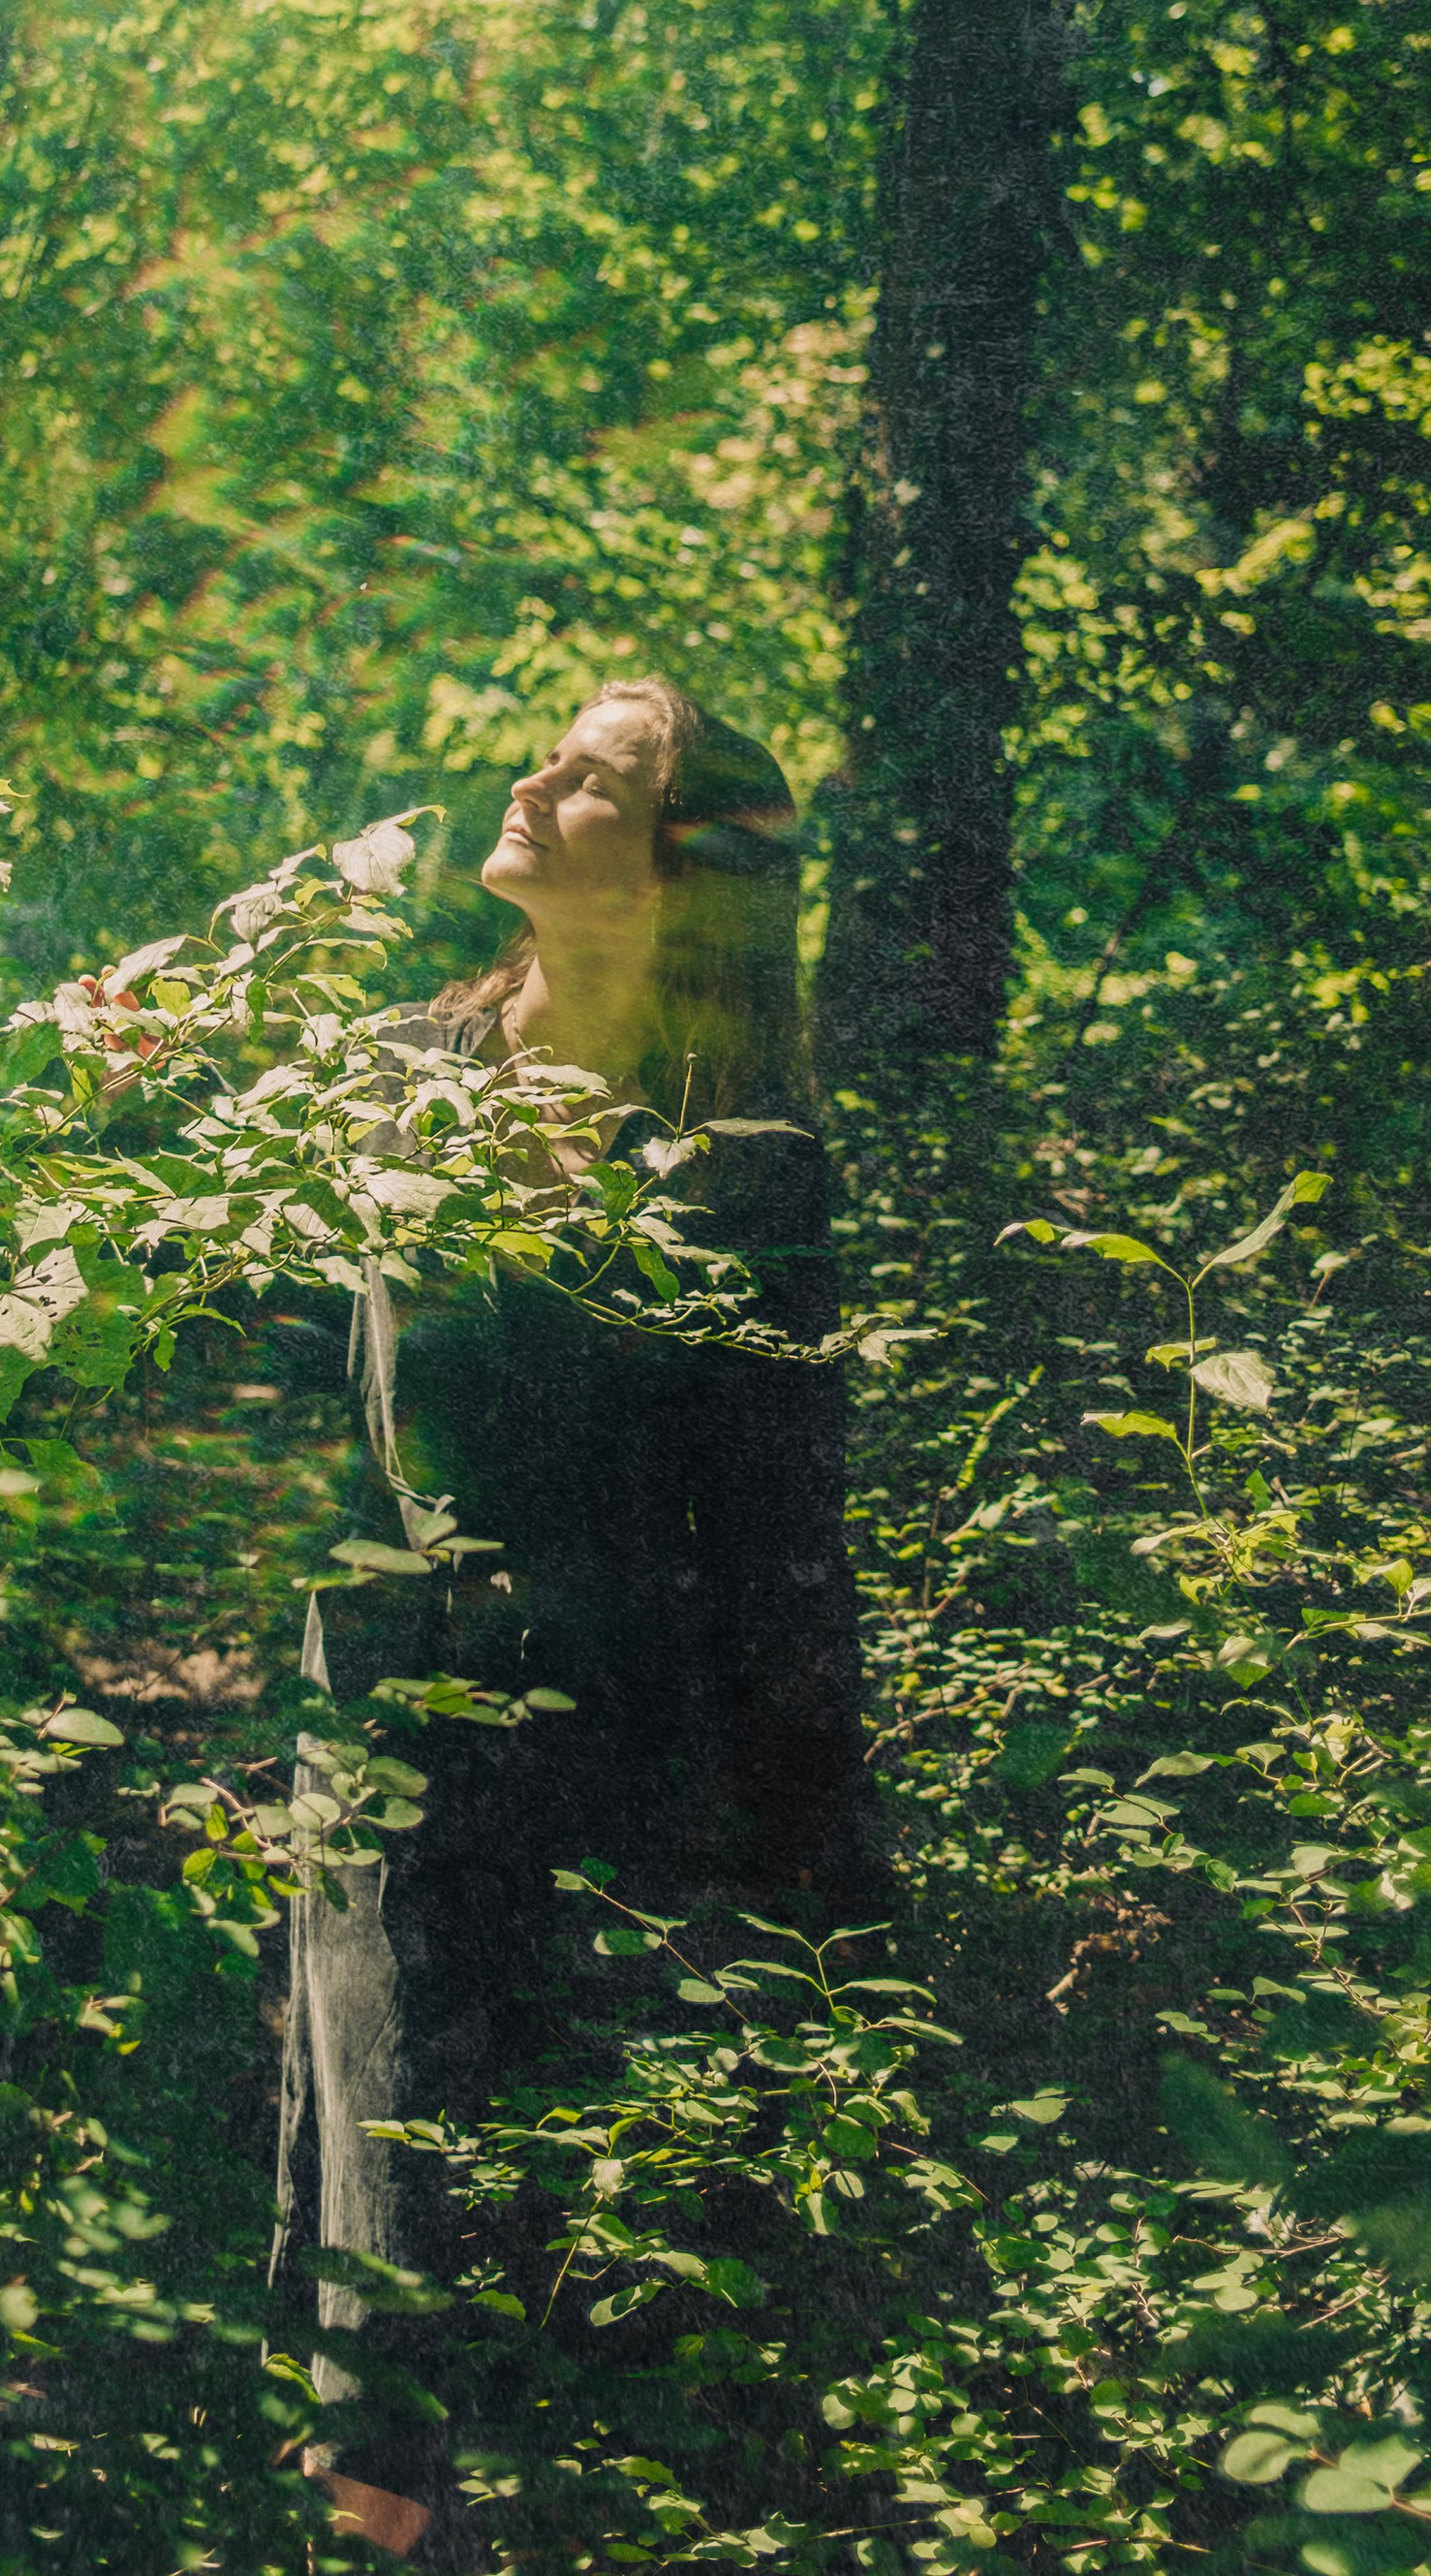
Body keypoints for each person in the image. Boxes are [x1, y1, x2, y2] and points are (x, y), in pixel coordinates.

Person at [268, 678, 880, 2564]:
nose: (529, 782)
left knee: (581, 2310)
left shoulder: (748, 1161)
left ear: (683, 874)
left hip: (617, 1775)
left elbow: (780, 1535)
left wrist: (826, 1894)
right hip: (375, 1741)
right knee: (376, 2263)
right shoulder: (393, 1069)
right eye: (549, 752)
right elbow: (304, 1390)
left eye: (594, 777)